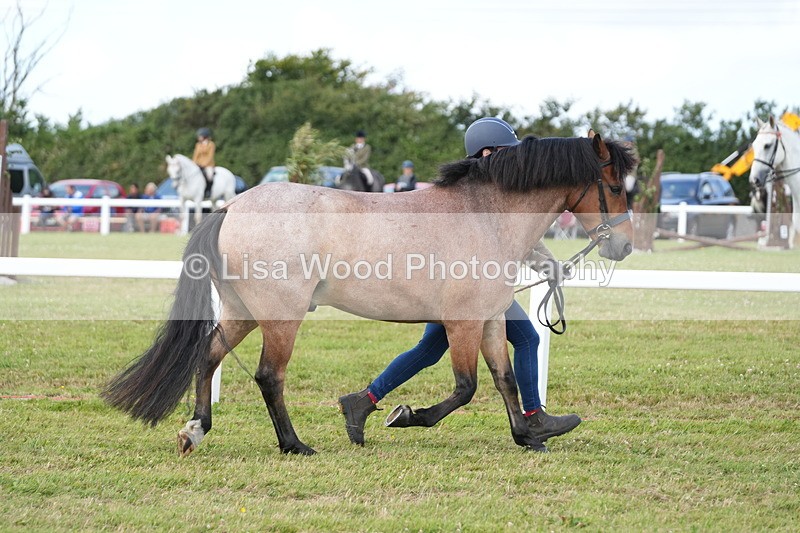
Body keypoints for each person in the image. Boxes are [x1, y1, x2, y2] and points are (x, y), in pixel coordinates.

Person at [339, 117, 581, 449]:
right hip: (471, 290)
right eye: (506, 151)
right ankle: (532, 417)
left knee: (429, 350)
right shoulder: (481, 198)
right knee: (525, 339)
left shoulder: (490, 194)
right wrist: (548, 266)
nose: (514, 158)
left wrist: (550, 266)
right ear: (487, 154)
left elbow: (520, 241)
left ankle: (363, 400)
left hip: (466, 289)